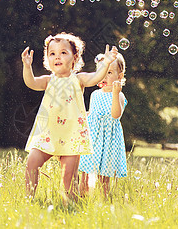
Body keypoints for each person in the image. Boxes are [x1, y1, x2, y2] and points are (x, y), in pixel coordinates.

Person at [21, 32, 118, 200]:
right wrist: (27, 66)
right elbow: (31, 83)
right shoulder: (48, 80)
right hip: (48, 134)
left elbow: (95, 78)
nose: (57, 57)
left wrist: (106, 63)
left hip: (72, 135)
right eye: (52, 54)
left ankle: (70, 203)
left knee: (69, 177)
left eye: (63, 52)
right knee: (32, 163)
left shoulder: (78, 79)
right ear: (47, 60)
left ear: (75, 58)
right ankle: (29, 198)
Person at [78, 52, 128, 198]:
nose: (105, 75)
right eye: (102, 71)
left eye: (110, 72)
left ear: (119, 76)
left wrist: (115, 93)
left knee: (104, 178)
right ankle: (81, 199)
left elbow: (115, 114)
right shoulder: (95, 94)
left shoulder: (118, 95)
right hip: (93, 139)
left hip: (108, 142)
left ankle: (103, 201)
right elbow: (92, 114)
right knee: (85, 175)